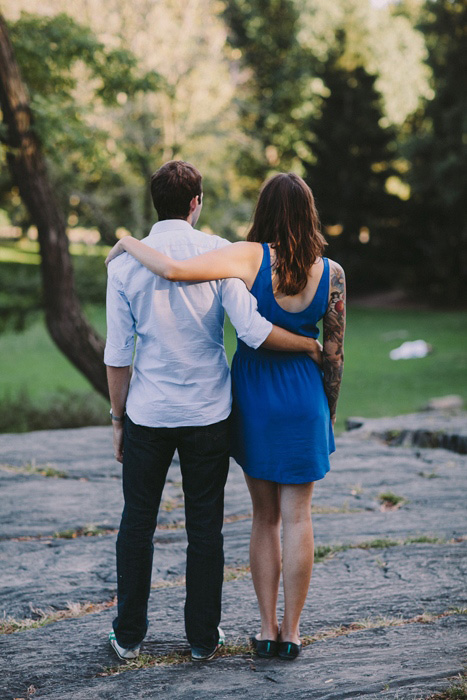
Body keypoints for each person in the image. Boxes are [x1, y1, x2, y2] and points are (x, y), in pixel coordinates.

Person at [106, 171, 346, 661]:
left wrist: (124, 240)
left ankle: (148, 636)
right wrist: (317, 373)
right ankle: (246, 636)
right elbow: (295, 342)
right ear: (197, 202)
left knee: (160, 522)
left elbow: (132, 329)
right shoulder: (315, 270)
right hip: (255, 405)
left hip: (196, 405)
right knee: (248, 522)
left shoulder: (236, 256)